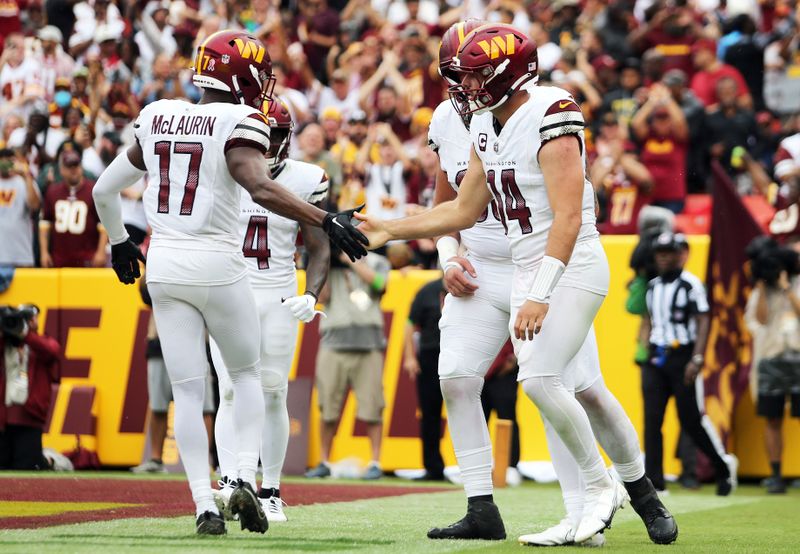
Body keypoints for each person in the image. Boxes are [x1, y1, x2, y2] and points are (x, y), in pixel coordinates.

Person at [359, 23, 675, 546]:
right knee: (514, 380)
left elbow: (569, 219)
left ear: (507, 71)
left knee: (556, 384)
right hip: (518, 265)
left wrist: (538, 292)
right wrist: (390, 228)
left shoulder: (551, 112)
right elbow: (462, 207)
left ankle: (611, 490)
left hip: (565, 265)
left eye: (479, 74)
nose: (467, 85)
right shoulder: (481, 122)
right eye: (463, 74)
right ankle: (610, 496)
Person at [90, 29, 367, 535]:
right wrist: (326, 220)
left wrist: (118, 242)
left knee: (190, 393)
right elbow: (259, 185)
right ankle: (242, 476)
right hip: (219, 261)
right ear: (241, 74)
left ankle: (203, 504)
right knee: (246, 377)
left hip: (165, 262)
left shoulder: (157, 114)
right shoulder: (240, 119)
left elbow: (104, 188)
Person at [210, 98, 331, 523]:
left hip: (278, 292)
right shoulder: (223, 169)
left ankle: (271, 489)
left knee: (274, 390)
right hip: (228, 290)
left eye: (278, 134)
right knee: (227, 390)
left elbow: (319, 247)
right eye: (266, 133)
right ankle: (228, 482)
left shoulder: (308, 177)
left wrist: (312, 295)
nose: (270, 142)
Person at [641, 232, 738, 495]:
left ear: (679, 255)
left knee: (690, 419)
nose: (662, 257)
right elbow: (648, 320)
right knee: (651, 420)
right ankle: (655, 482)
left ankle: (721, 467)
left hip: (683, 355)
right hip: (656, 357)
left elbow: (703, 320)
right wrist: (643, 349)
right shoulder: (652, 287)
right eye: (659, 253)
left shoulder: (691, 285)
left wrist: (697, 358)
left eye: (668, 252)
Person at [305, 248, 390, 481]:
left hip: (368, 344)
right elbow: (322, 297)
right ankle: (324, 460)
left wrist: (349, 261)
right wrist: (324, 262)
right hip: (333, 342)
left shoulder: (377, 261)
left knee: (373, 405)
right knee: (328, 406)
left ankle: (375, 461)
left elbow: (380, 285)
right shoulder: (328, 263)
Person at [744, 237, 800, 494]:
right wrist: (764, 286)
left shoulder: (796, 284)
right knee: (772, 418)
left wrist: (786, 286)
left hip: (797, 357)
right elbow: (760, 321)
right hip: (771, 359)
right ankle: (776, 474)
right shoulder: (760, 291)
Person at [0, 304, 60, 470]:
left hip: (29, 418)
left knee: (26, 467)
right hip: (3, 419)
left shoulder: (40, 344)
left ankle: (49, 461)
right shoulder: (4, 344)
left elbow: (52, 351)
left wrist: (25, 334)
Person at [404, 276, 446, 481]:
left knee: (469, 411)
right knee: (430, 414)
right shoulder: (428, 290)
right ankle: (433, 468)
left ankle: (474, 470)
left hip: (462, 353)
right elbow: (410, 322)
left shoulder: (472, 286)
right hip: (431, 356)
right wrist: (410, 357)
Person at [39, 144, 107, 268]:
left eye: (76, 165)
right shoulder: (53, 191)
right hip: (59, 258)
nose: (73, 170)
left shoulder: (94, 190)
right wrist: (44, 253)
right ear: (61, 169)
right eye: (69, 166)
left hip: (87, 258)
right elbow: (45, 224)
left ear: (81, 167)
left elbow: (104, 223)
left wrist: (101, 251)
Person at [0, 150, 39, 268]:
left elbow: (35, 206)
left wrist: (26, 175)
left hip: (21, 255)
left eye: (10, 160)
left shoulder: (25, 182)